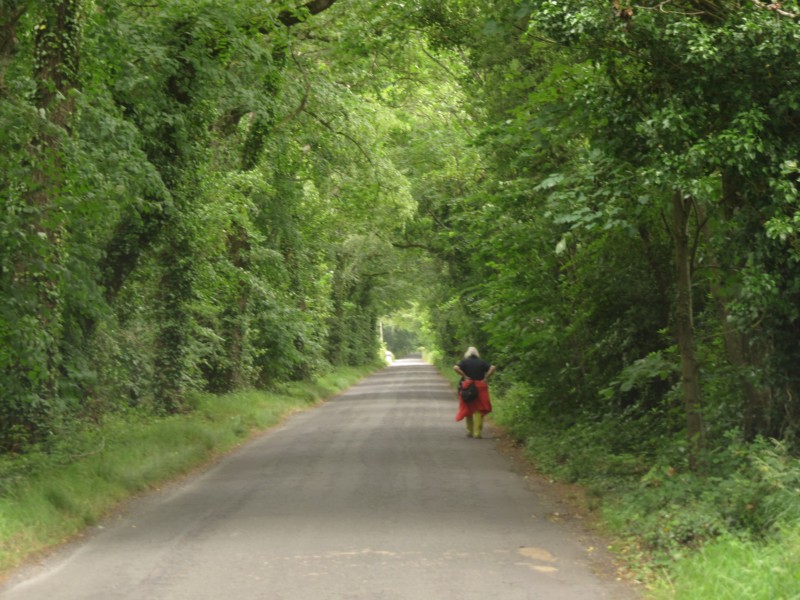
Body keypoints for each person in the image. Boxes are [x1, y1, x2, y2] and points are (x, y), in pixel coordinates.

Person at [453, 347, 495, 439]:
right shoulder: (482, 362)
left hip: (467, 386)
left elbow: (455, 367)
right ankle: (478, 433)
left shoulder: (464, 362)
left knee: (468, 409)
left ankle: (469, 431)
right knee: (479, 410)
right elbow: (492, 367)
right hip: (480, 387)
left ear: (467, 353)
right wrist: (486, 378)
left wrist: (464, 376)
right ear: (477, 353)